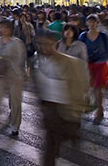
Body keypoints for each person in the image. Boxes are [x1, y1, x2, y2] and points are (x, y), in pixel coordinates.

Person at [35, 30, 90, 166]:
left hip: (68, 111)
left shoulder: (71, 63)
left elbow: (82, 86)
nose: (44, 47)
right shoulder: (36, 61)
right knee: (50, 148)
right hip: (50, 112)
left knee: (75, 147)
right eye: (41, 44)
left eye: (47, 44)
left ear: (55, 43)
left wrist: (77, 110)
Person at [0, 19, 26, 136]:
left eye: (5, 27)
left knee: (15, 102)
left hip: (14, 76)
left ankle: (15, 126)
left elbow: (20, 60)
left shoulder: (17, 43)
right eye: (0, 27)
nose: (2, 30)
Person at [79, 14, 108, 124]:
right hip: (88, 64)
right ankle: (94, 106)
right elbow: (80, 51)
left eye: (94, 22)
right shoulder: (83, 36)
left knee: (99, 88)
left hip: (101, 63)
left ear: (97, 23)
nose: (92, 24)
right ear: (87, 23)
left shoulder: (103, 36)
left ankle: (99, 108)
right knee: (90, 87)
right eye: (90, 21)